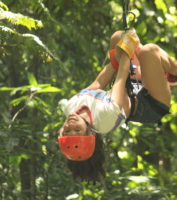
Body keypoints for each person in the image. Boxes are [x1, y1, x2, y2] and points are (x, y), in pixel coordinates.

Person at [58, 29, 177, 183]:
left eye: (67, 130)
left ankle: (155, 71)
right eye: (77, 130)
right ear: (90, 133)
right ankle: (173, 71)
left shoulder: (70, 107)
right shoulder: (105, 119)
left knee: (117, 37)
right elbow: (122, 75)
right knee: (149, 50)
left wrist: (122, 50)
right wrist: (128, 48)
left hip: (132, 88)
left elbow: (98, 84)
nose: (71, 124)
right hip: (151, 103)